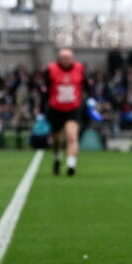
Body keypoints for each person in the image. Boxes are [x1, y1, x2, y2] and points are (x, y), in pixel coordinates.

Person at [45, 48, 85, 176]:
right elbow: (45, 88)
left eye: (68, 58)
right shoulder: (51, 69)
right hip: (56, 109)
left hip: (73, 108)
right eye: (63, 59)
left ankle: (70, 165)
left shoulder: (79, 69)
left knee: (71, 135)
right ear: (59, 59)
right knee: (56, 140)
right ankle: (57, 158)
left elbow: (86, 85)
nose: (66, 61)